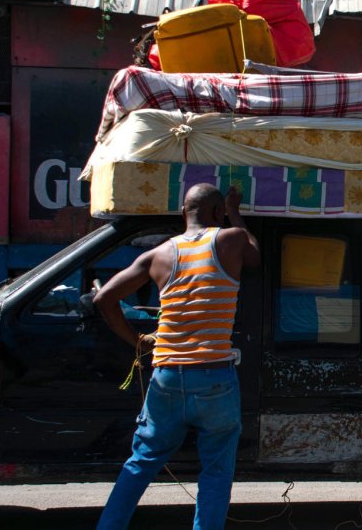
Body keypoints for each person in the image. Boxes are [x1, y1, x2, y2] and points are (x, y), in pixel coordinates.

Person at [94, 184, 260, 530]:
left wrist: (138, 341)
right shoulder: (231, 239)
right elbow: (255, 255)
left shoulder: (158, 255)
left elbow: (104, 298)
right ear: (217, 213)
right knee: (216, 471)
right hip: (214, 376)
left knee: (141, 462)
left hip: (167, 376)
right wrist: (235, 212)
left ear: (183, 213)